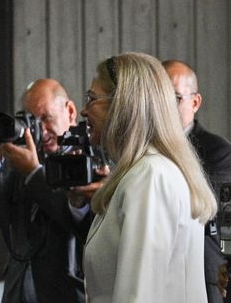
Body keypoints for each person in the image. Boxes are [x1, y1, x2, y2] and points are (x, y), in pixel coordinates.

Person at [81, 53, 217, 302]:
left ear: (123, 104)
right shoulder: (144, 172)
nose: (83, 110)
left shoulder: (150, 177)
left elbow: (139, 296)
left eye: (91, 99)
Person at [0, 79, 96, 303]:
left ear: (71, 111)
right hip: (16, 294)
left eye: (46, 118)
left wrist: (34, 173)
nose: (40, 130)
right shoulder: (19, 163)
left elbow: (77, 223)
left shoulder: (89, 160)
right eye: (32, 121)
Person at [163, 59, 231, 302]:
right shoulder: (142, 149)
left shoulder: (217, 150)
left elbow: (221, 217)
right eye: (160, 97)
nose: (166, 107)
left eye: (175, 98)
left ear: (195, 102)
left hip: (203, 279)